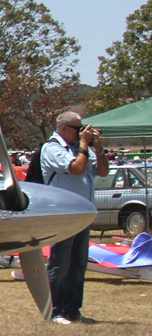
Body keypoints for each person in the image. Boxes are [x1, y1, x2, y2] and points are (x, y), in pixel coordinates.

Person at [40, 110, 108, 324]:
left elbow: (103, 172)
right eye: (78, 129)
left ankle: (73, 310)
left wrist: (99, 149)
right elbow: (77, 168)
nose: (81, 133)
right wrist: (85, 145)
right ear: (64, 128)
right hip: (63, 214)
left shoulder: (81, 149)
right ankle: (56, 310)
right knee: (60, 264)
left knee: (78, 264)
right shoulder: (52, 148)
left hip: (83, 214)